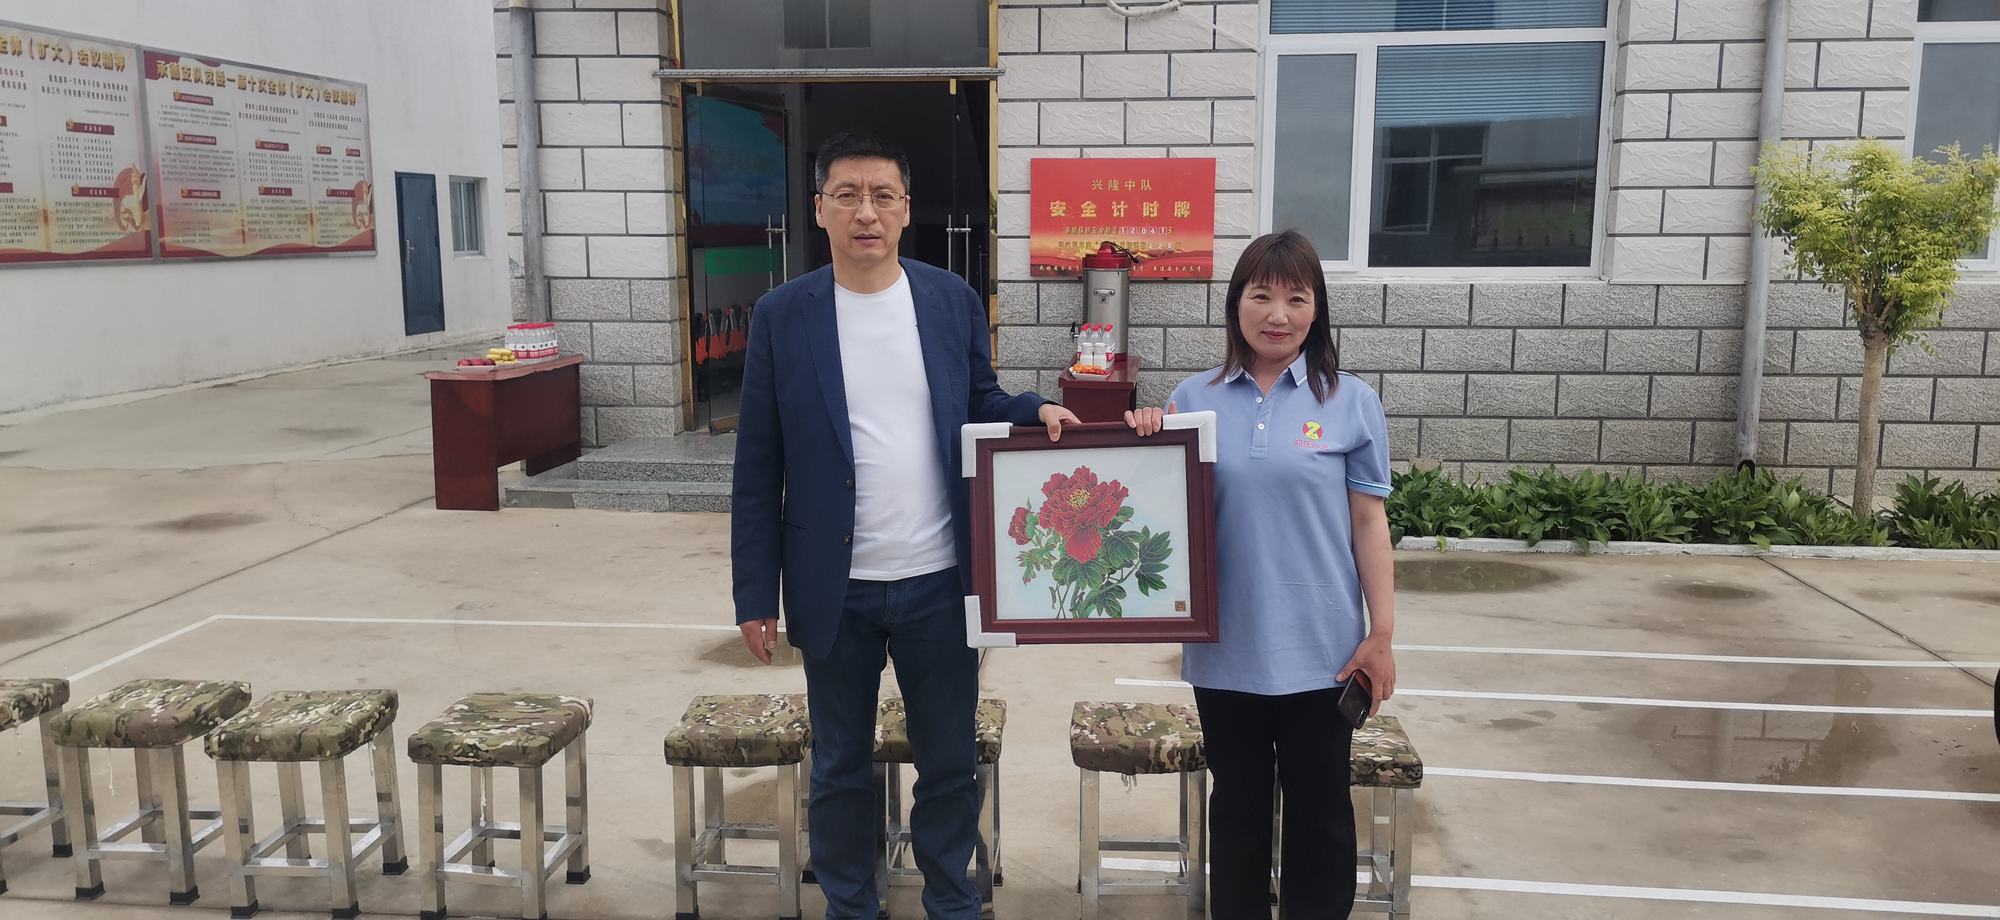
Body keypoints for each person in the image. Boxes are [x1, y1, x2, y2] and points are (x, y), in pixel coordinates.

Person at [731, 131, 1080, 920]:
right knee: (839, 767)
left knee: (949, 765)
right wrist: (754, 593)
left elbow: (980, 398)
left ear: (905, 209)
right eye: (847, 195)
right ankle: (851, 905)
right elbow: (757, 465)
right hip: (835, 587)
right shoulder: (783, 316)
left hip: (939, 583)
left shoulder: (949, 300)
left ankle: (952, 902)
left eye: (882, 196)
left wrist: (1033, 411)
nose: (866, 212)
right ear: (819, 209)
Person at [1128, 229, 1398, 920]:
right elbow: (1157, 507)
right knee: (1238, 813)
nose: (1278, 314)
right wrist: (1144, 437)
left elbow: (1369, 522)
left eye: (1296, 298)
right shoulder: (1195, 396)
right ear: (1236, 304)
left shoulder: (1351, 401)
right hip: (1227, 647)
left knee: (1321, 816)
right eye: (1262, 296)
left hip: (1325, 652)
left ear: (1317, 310)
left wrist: (1382, 635)